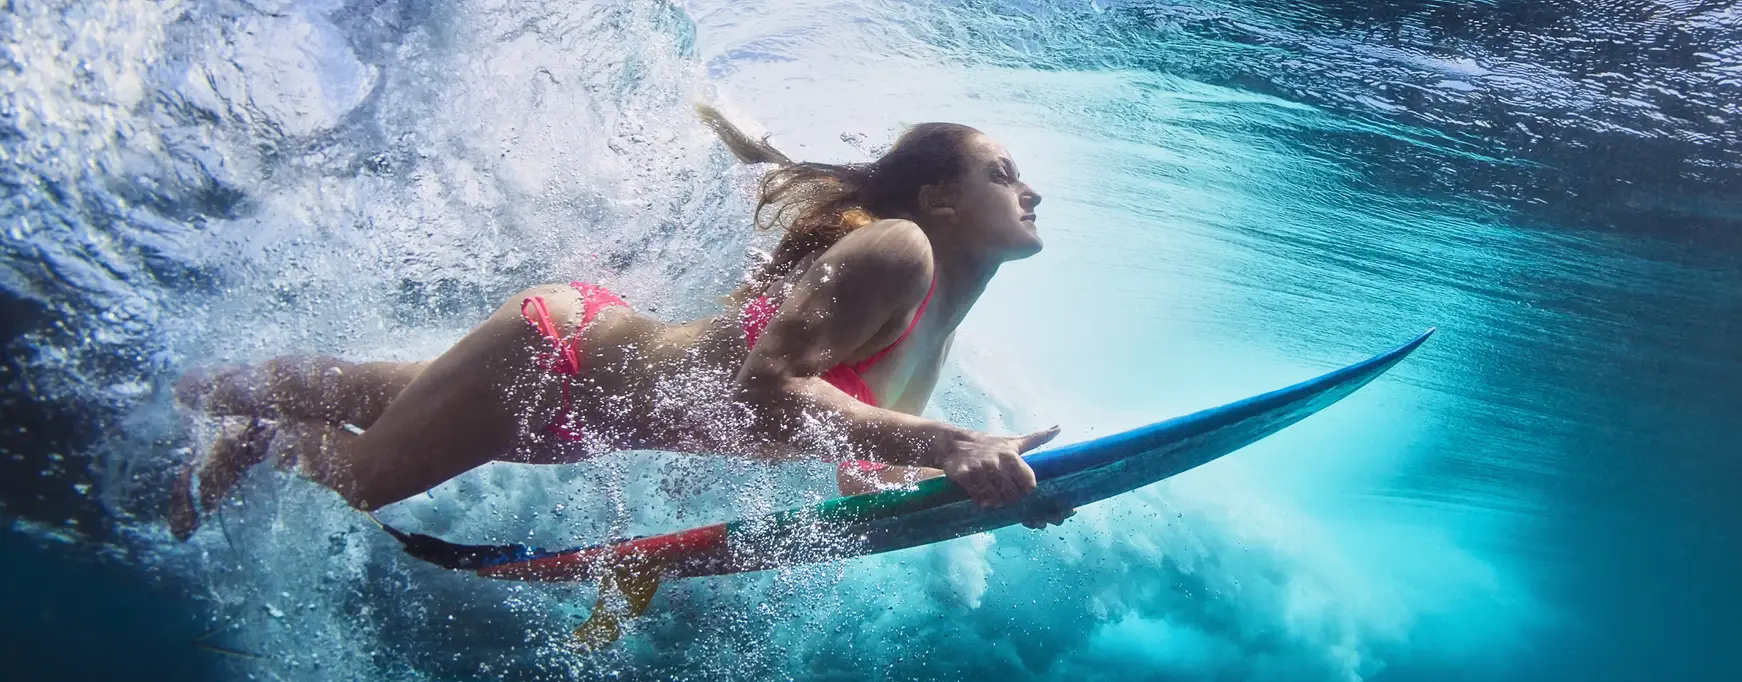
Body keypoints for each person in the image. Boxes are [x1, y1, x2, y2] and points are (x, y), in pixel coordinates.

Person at [167, 105, 1071, 541]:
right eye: (1004, 173)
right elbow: (766, 388)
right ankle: (261, 434)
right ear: (939, 198)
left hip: (580, 420)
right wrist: (953, 444)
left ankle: (191, 386)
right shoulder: (899, 252)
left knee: (372, 393)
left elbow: (856, 452)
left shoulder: (938, 328)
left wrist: (983, 494)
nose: (1028, 191)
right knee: (365, 476)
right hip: (558, 363)